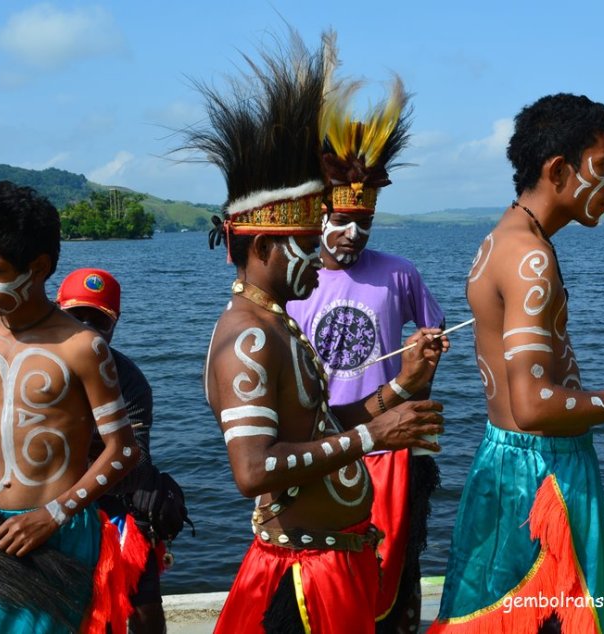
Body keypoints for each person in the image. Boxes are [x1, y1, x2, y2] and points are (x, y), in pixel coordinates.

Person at [180, 31, 446, 633]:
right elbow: (252, 470)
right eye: (306, 244)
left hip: (328, 566)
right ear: (267, 246)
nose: (321, 257)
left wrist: (400, 391)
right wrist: (375, 435)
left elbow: (320, 427)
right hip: (300, 578)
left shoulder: (274, 325)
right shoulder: (248, 337)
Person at [431, 94, 604, 633]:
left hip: (501, 466)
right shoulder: (531, 258)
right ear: (559, 170)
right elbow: (532, 406)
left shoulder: (497, 241)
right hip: (543, 478)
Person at [0, 181, 140, 633]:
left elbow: (123, 450)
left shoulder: (81, 347)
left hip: (57, 535)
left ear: (39, 267)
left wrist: (54, 512)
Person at [286, 68, 446, 633]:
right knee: (321, 584)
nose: (355, 235)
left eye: (366, 224)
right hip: (321, 450)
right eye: (345, 221)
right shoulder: (294, 283)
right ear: (320, 217)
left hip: (393, 452)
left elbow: (432, 343)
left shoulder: (400, 274)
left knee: (394, 578)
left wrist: (418, 366)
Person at [57, 268, 171, 634]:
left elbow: (135, 457)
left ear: (114, 326)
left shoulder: (129, 379)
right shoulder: (36, 369)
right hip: (48, 504)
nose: (88, 330)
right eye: (77, 318)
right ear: (58, 315)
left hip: (114, 506)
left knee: (145, 613)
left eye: (99, 321)